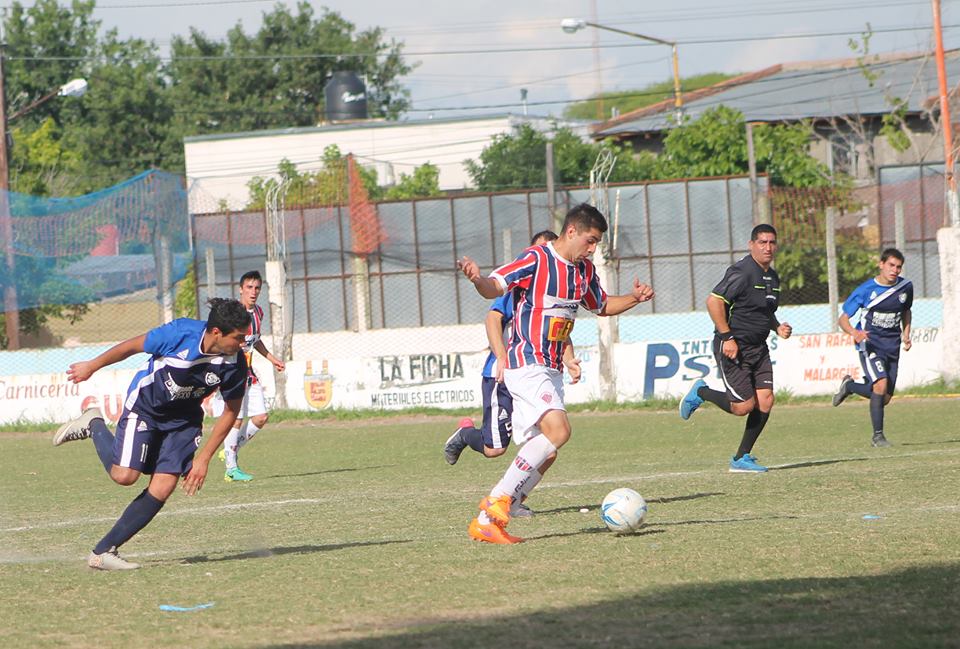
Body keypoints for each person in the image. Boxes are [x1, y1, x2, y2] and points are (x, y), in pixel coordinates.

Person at [457, 203, 654, 544]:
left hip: (551, 369)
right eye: (590, 241)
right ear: (572, 232)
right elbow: (495, 287)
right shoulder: (537, 259)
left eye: (597, 244)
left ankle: (487, 522)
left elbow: (602, 306)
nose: (592, 249)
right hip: (525, 362)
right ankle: (498, 499)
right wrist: (478, 279)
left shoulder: (584, 271)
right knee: (559, 430)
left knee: (546, 450)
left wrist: (635, 299)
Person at [52, 298, 251, 570]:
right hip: (145, 408)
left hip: (184, 421)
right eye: (238, 337)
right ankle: (94, 423)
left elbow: (231, 410)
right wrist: (92, 365)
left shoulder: (235, 362)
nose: (242, 343)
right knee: (124, 476)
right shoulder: (180, 333)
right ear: (217, 332)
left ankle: (103, 552)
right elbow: (130, 347)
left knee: (164, 486)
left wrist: (204, 459)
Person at [444, 230, 582, 519]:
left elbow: (558, 332)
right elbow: (492, 318)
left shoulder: (556, 285)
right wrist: (502, 356)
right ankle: (465, 435)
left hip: (534, 375)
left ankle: (513, 501)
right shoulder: (521, 284)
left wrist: (569, 360)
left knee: (548, 449)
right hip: (506, 374)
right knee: (495, 448)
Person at [678, 223, 793, 473]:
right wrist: (727, 337)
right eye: (762, 242)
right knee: (743, 407)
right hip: (733, 346)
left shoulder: (772, 277)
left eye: (772, 242)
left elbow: (764, 311)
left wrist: (777, 327)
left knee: (766, 400)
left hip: (758, 347)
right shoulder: (742, 272)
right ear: (751, 245)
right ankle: (702, 392)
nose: (768, 247)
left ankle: (741, 457)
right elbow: (714, 302)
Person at [831, 248, 912, 447]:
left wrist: (907, 333)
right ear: (881, 264)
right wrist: (854, 333)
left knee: (883, 398)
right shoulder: (866, 290)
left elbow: (906, 310)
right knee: (880, 384)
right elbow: (842, 319)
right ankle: (878, 437)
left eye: (898, 267)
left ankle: (849, 386)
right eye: (891, 265)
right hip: (869, 344)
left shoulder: (906, 287)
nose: (894, 270)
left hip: (893, 346)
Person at [211, 270, 286, 482]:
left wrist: (272, 359)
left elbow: (256, 341)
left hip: (248, 372)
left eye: (257, 288)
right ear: (241, 289)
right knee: (236, 418)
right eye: (249, 287)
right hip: (230, 370)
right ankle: (231, 469)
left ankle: (229, 450)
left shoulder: (259, 312)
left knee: (261, 417)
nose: (253, 292)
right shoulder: (232, 313)